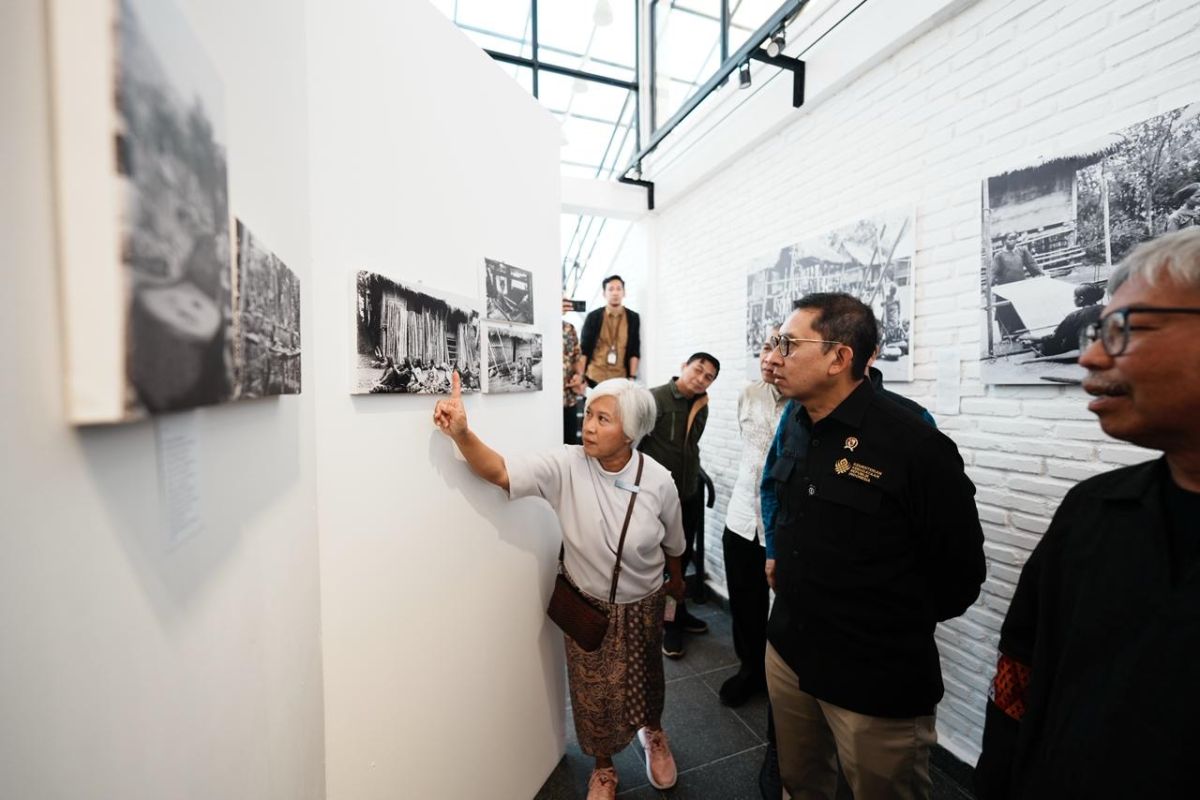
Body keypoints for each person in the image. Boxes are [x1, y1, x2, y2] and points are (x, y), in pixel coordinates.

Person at [974, 229, 1200, 799]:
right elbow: (1022, 678)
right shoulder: (1093, 511)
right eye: (1097, 330)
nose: (1090, 355)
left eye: (1124, 330)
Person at [760, 293, 985, 800]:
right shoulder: (795, 421)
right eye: (775, 341)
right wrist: (777, 554)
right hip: (791, 646)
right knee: (800, 782)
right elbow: (777, 490)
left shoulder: (914, 442)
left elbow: (959, 574)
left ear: (839, 358)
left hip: (872, 672)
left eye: (788, 344)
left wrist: (878, 619)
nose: (773, 356)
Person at [433, 375, 686, 800]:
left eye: (603, 419)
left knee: (648, 676)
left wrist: (675, 585)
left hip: (643, 602)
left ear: (631, 432)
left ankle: (653, 734)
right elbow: (498, 471)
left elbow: (674, 543)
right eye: (588, 413)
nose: (588, 425)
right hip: (588, 603)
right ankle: (603, 768)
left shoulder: (658, 480)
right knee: (592, 692)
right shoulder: (567, 465)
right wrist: (462, 433)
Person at [719, 327, 786, 707]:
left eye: (778, 349)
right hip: (742, 517)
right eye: (764, 347)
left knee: (786, 607)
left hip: (783, 526)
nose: (768, 358)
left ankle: (782, 678)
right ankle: (750, 669)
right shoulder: (747, 395)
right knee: (745, 601)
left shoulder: (803, 404)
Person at [638, 352, 721, 659]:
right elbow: (635, 443)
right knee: (666, 562)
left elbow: (691, 446)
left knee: (682, 558)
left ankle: (678, 611)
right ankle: (669, 622)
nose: (701, 379)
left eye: (708, 377)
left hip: (688, 493)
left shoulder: (703, 404)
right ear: (683, 367)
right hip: (657, 499)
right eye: (698, 371)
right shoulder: (655, 398)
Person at [580, 275, 641, 386]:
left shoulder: (633, 318)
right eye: (611, 289)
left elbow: (634, 350)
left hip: (620, 379)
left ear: (624, 292)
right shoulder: (593, 317)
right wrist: (580, 377)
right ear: (604, 293)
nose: (615, 293)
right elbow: (584, 349)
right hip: (594, 377)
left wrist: (632, 377)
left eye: (619, 289)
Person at [1027, 283, 1105, 357]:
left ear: (1081, 299)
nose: (1073, 299)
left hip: (1082, 347)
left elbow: (1056, 337)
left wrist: (1034, 338)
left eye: (1074, 296)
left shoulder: (1074, 316)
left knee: (1046, 345)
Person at [563, 298, 586, 443]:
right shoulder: (540, 327)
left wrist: (579, 376)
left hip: (568, 399)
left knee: (570, 444)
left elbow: (577, 357)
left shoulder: (569, 329)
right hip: (546, 400)